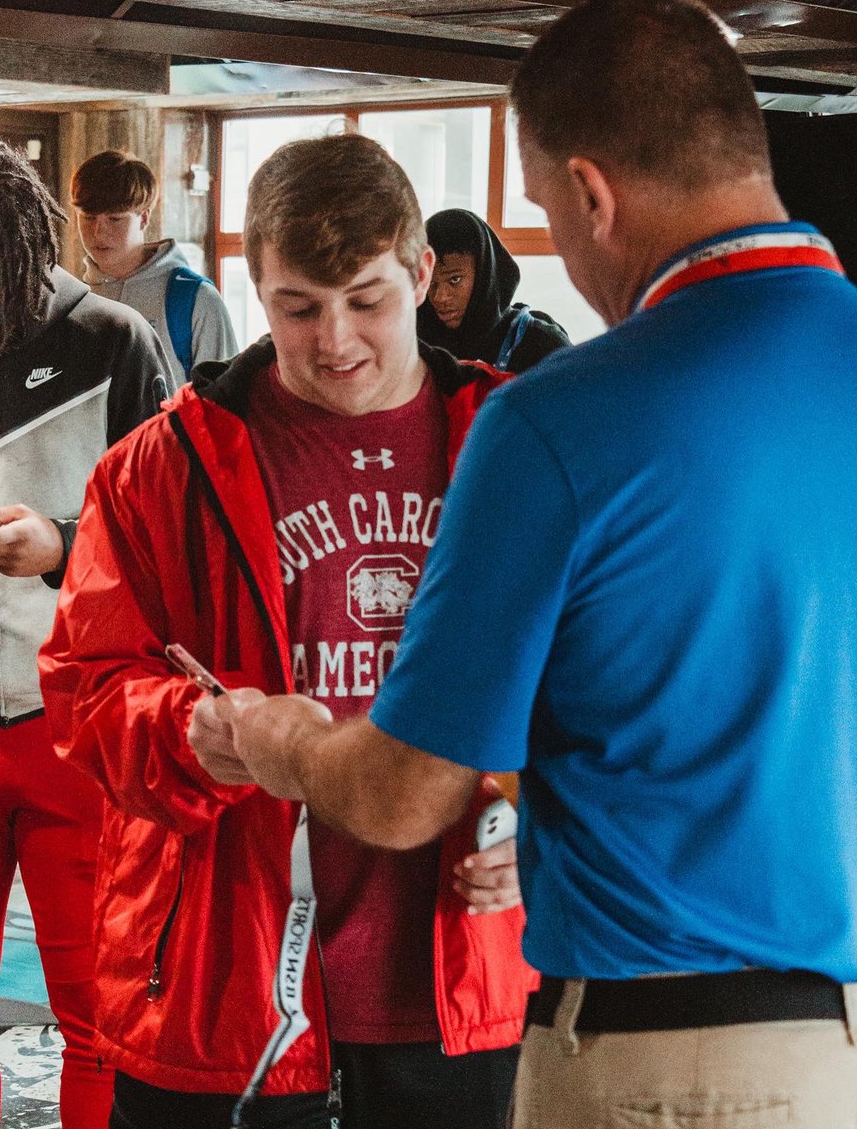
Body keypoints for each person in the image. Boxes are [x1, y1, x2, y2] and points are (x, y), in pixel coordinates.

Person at [208, 0, 857, 1129]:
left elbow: (401, 793)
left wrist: (282, 739)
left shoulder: (556, 419)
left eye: (541, 201)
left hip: (678, 1060)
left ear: (589, 191)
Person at [39, 133, 535, 1129]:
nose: (336, 341)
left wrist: (552, 831)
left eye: (368, 301)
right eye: (299, 307)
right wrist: (189, 732)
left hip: (461, 971)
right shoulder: (158, 468)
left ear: (422, 272)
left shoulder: (520, 447)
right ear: (255, 287)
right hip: (221, 978)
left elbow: (604, 689)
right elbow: (87, 686)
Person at [0, 131, 168, 1129]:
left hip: (75, 729)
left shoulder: (113, 344)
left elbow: (180, 543)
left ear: (27, 250)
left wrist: (65, 543)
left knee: (98, 1012)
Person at [71, 149, 237, 389]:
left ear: (144, 218)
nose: (98, 232)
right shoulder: (75, 300)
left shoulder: (194, 299)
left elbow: (225, 404)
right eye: (88, 217)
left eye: (115, 219)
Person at [417, 208, 568, 372]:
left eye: (455, 279)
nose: (440, 297)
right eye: (431, 283)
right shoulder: (416, 346)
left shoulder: (541, 345)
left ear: (486, 274)